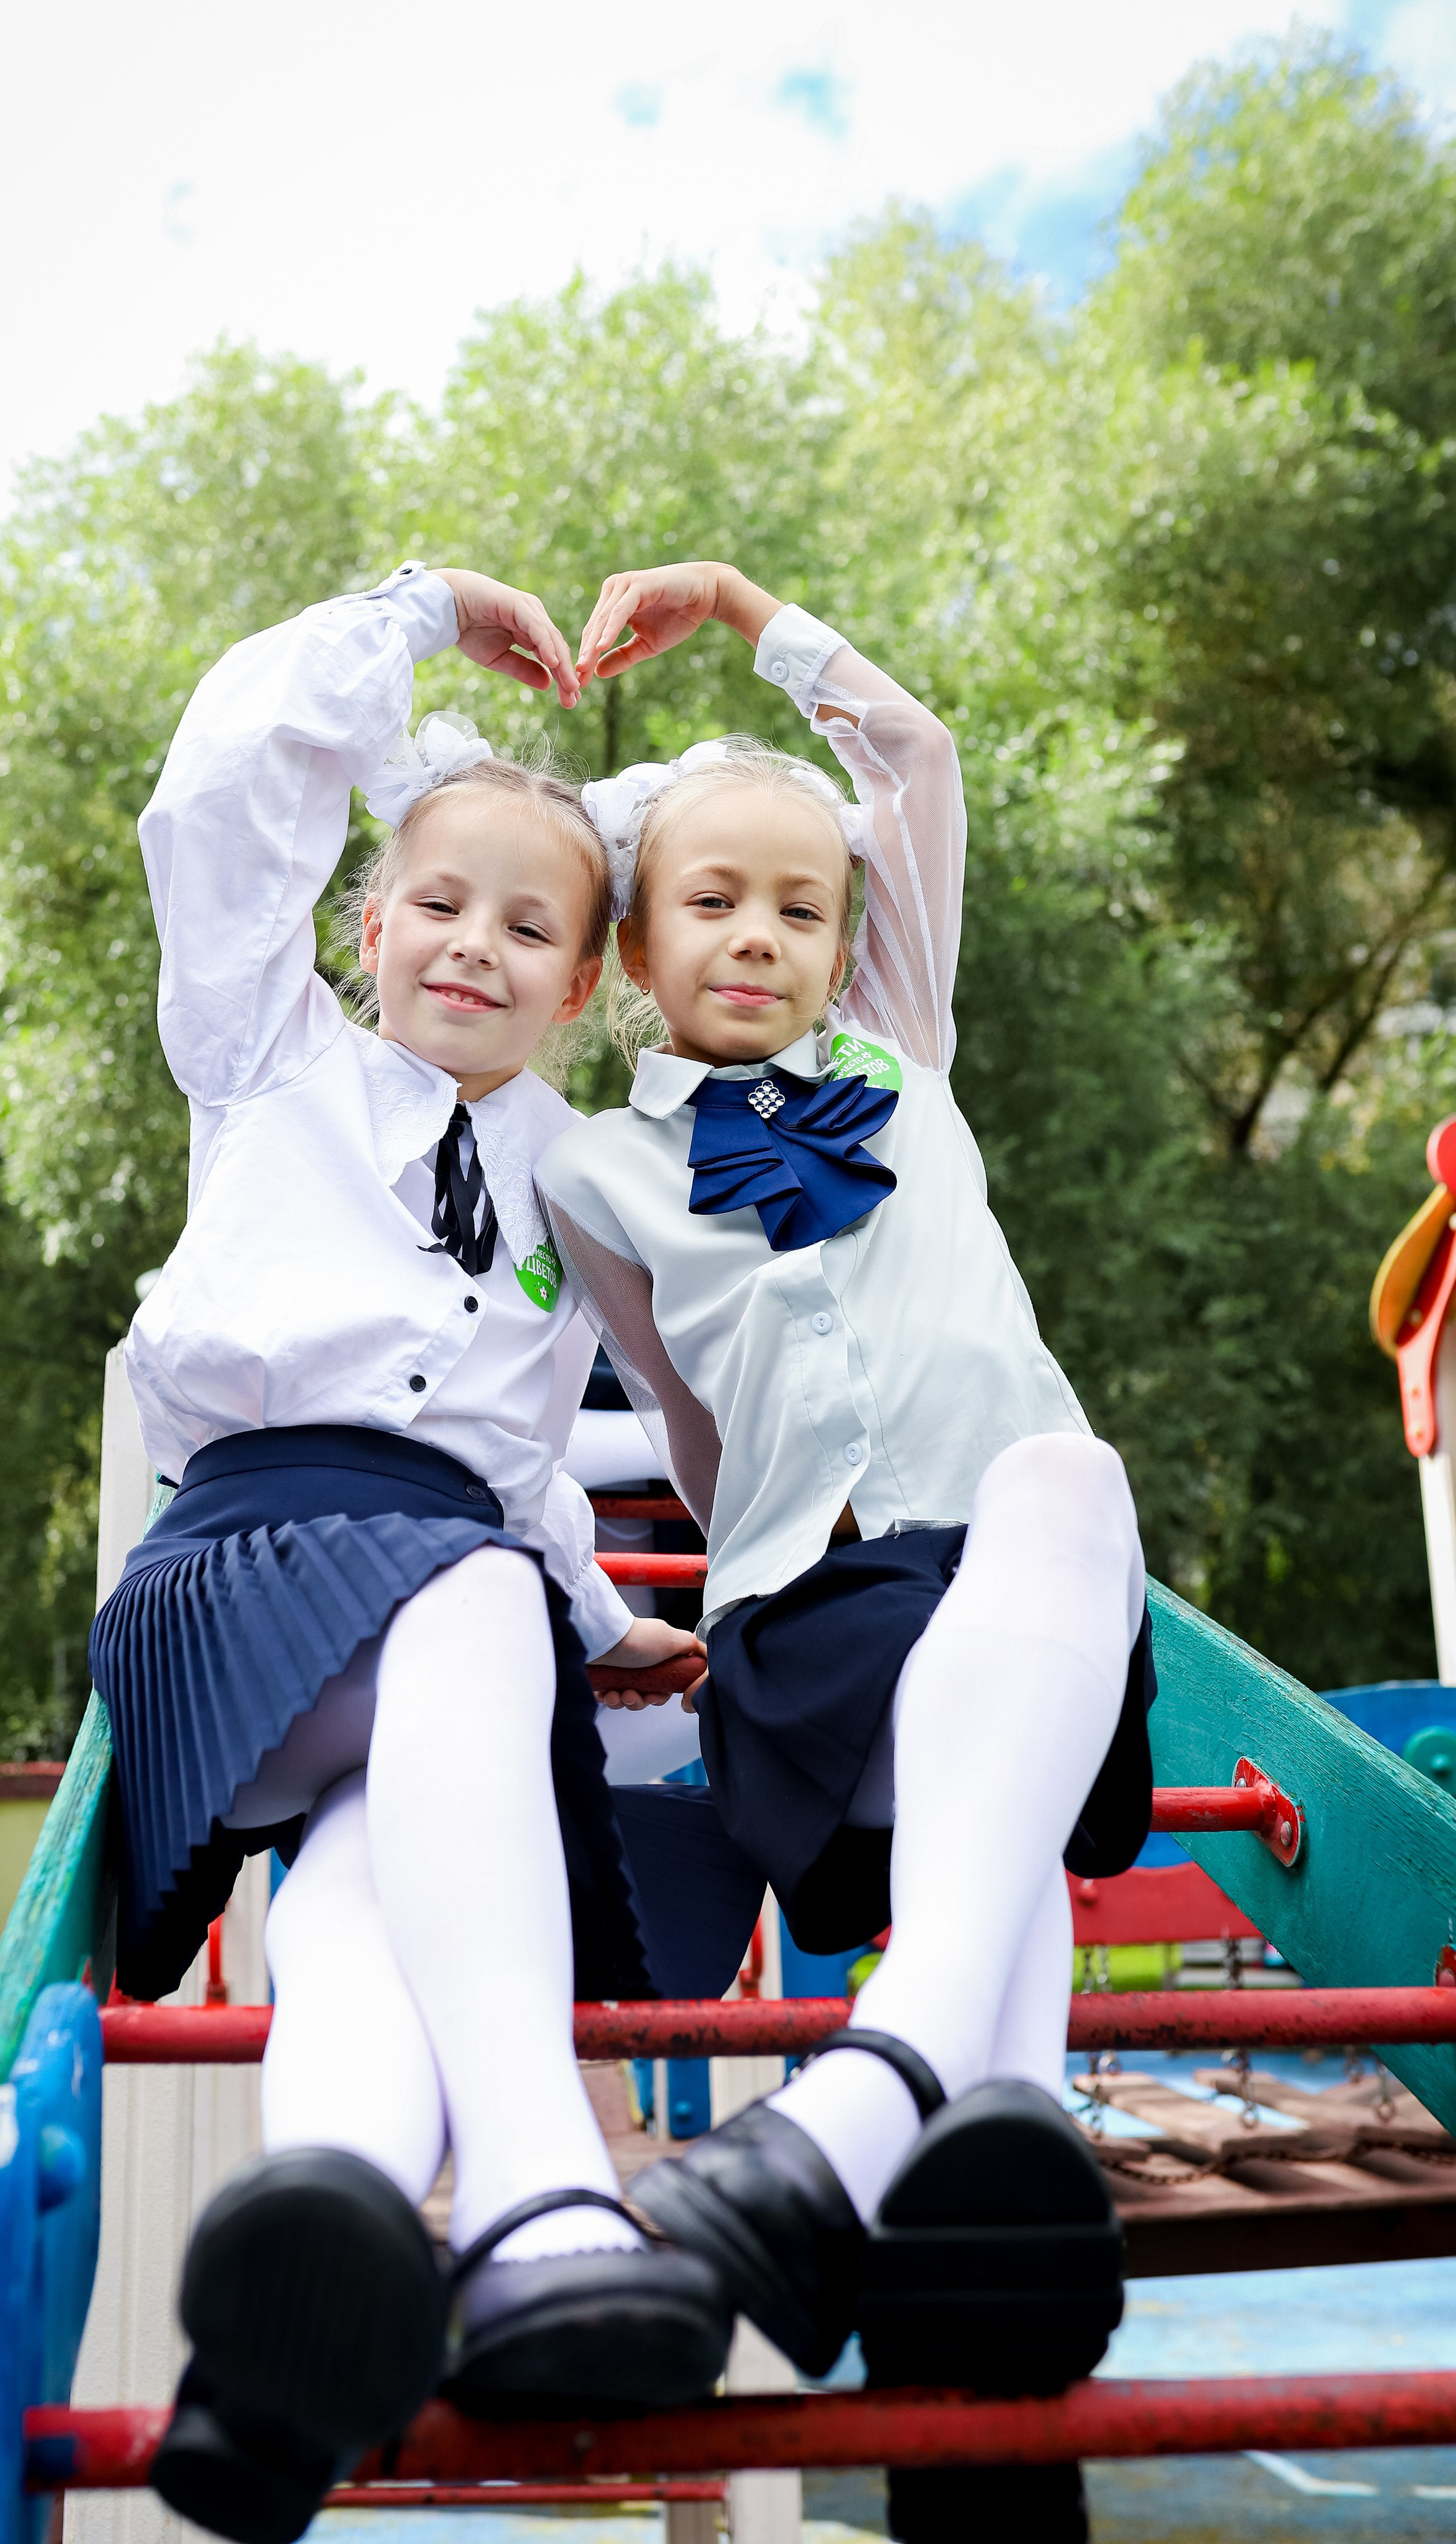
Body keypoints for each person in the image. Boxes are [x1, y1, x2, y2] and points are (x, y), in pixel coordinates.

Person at [89, 562, 731, 2544]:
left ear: (583, 986)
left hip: (430, 1632)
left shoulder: (570, 1177)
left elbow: (518, 1466)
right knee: (472, 1602)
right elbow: (223, 787)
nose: (476, 946)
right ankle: (544, 2192)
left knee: (368, 1894)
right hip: (244, 1578)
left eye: (531, 928)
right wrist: (419, 610)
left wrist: (606, 1620)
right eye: (440, 905)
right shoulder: (266, 1058)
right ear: (367, 927)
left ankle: (313, 2280)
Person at [536, 560, 1152, 2424]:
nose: (762, 935)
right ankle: (964, 2123)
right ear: (634, 950)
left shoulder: (904, 1054)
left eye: (803, 908)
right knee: (1038, 1638)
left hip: (1021, 1589)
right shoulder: (597, 1172)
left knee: (1063, 1481)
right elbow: (684, 1426)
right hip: (816, 1626)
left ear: (848, 939)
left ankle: (915, 2160)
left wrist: (746, 610)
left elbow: (915, 757)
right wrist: (628, 1613)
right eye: (713, 900)